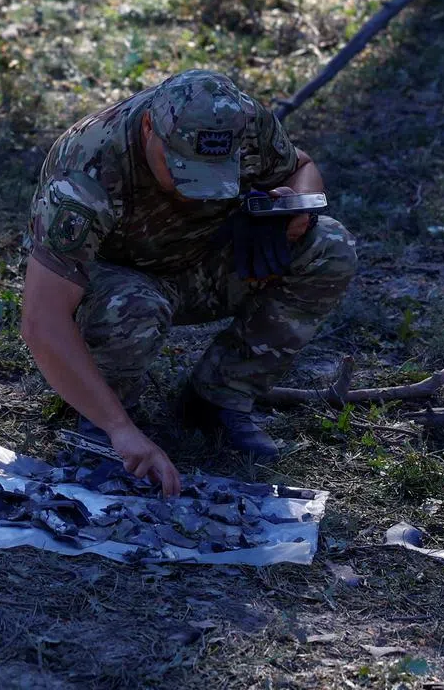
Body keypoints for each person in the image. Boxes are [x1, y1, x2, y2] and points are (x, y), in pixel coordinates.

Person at [20, 70, 357, 496]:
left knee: (330, 246)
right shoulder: (86, 172)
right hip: (115, 280)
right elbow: (41, 320)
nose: (195, 191)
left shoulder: (242, 121)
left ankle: (220, 397)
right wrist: (120, 429)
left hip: (205, 262)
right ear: (149, 129)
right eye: (181, 168)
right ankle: (105, 419)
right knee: (132, 305)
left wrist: (291, 208)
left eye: (211, 171)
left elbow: (300, 165)